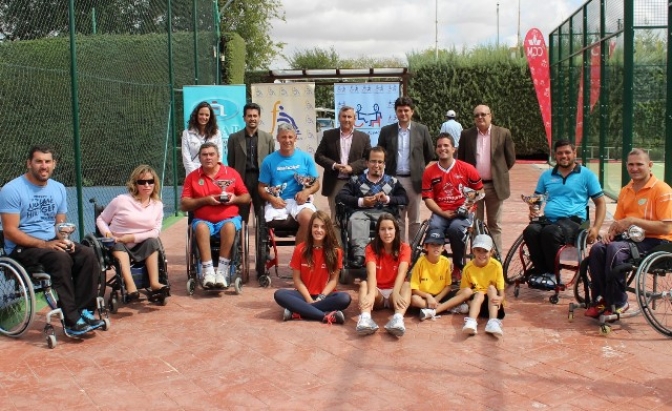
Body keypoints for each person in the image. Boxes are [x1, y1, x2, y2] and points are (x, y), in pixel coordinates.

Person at [0, 145, 105, 334]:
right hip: (22, 247)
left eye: (47, 161)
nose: (43, 166)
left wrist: (65, 239)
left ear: (54, 164)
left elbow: (60, 223)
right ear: (29, 163)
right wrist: (45, 244)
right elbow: (9, 231)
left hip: (50, 242)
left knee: (87, 254)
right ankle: (72, 321)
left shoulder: (58, 188)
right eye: (38, 161)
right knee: (60, 258)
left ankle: (85, 311)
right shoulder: (12, 190)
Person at [585, 148, 672, 318]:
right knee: (598, 249)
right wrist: (610, 232)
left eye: (639, 164)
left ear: (650, 165)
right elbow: (618, 223)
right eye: (631, 164)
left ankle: (619, 302)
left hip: (659, 242)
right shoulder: (626, 190)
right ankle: (601, 299)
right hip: (631, 240)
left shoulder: (662, 190)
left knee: (616, 250)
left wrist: (632, 220)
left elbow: (667, 228)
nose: (634, 168)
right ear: (626, 166)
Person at [522, 140, 606, 289]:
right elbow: (537, 200)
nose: (564, 156)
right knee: (530, 230)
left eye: (567, 152)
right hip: (549, 219)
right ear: (555, 155)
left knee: (550, 232)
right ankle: (542, 271)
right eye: (560, 153)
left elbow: (601, 203)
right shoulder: (546, 176)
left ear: (575, 153)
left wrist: (596, 228)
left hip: (575, 221)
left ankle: (553, 274)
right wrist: (533, 209)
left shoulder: (587, 175)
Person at [181, 142, 251, 289]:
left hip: (228, 219)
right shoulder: (192, 177)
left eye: (211, 154)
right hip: (203, 220)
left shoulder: (231, 173)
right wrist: (205, 200)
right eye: (204, 155)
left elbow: (246, 197)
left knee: (229, 226)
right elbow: (184, 204)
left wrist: (234, 198)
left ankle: (222, 272)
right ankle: (208, 273)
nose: (208, 157)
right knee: (200, 228)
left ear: (218, 156)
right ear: (199, 158)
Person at [96, 164, 170, 301]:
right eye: (142, 182)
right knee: (117, 245)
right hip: (117, 242)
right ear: (135, 184)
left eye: (150, 181)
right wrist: (107, 234)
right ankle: (130, 286)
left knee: (153, 242)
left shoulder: (157, 205)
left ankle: (154, 283)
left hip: (141, 243)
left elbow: (155, 232)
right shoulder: (121, 200)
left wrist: (132, 237)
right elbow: (101, 219)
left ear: (155, 183)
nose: (147, 185)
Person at [273, 210, 352, 324]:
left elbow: (334, 280)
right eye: (315, 226)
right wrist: (309, 299)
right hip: (303, 295)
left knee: (344, 298)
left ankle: (299, 311)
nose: (318, 230)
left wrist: (322, 296)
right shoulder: (300, 249)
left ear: (328, 230)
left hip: (325, 296)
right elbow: (297, 279)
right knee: (279, 294)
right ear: (310, 228)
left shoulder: (336, 252)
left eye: (322, 227)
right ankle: (324, 315)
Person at [335, 146, 408, 267]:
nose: (377, 165)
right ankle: (360, 256)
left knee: (389, 222)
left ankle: (389, 255)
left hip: (385, 213)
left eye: (380, 162)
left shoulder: (392, 182)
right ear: (367, 163)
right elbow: (341, 197)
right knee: (355, 219)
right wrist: (362, 201)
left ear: (384, 164)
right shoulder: (356, 181)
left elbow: (404, 198)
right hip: (362, 213)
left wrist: (388, 199)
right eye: (373, 161)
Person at [422, 133, 483, 278]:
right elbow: (428, 199)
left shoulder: (467, 168)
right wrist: (442, 213)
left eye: (446, 145)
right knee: (433, 229)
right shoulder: (429, 171)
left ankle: (458, 265)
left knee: (456, 229)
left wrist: (469, 204)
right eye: (439, 146)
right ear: (436, 149)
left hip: (463, 211)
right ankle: (436, 264)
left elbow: (480, 191)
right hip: (440, 211)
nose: (442, 149)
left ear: (453, 148)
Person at [457, 104, 515, 254]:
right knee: (475, 225)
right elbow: (461, 160)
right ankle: (476, 259)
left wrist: (497, 174)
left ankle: (497, 259)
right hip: (473, 189)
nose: (480, 117)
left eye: (483, 114)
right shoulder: (466, 135)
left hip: (495, 187)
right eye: (477, 115)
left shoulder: (503, 133)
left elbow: (510, 159)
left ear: (490, 115)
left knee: (495, 225)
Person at [378, 96, 434, 243]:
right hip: (393, 180)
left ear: (412, 112)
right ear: (396, 112)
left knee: (414, 218)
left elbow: (429, 154)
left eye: (406, 111)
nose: (403, 113)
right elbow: (380, 154)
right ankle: (401, 249)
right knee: (397, 218)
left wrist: (418, 167)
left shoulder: (422, 130)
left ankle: (413, 251)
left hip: (414, 180)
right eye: (400, 111)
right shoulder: (386, 131)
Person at [258, 123, 320, 245]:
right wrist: (271, 198)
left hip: (300, 202)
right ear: (278, 138)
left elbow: (316, 183)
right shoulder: (269, 161)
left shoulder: (305, 158)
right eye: (284, 137)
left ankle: (299, 259)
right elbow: (261, 187)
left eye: (290, 137)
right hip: (278, 202)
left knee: (309, 220)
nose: (287, 140)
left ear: (295, 138)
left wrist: (306, 191)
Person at [315, 105, 371, 229]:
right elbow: (318, 156)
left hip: (355, 183)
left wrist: (352, 167)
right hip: (335, 183)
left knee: (355, 218)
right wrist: (334, 165)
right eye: (344, 116)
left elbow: (368, 159)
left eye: (349, 117)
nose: (346, 119)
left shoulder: (363, 138)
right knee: (336, 219)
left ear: (354, 119)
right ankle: (338, 248)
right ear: (339, 118)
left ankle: (353, 248)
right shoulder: (329, 135)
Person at [355, 213, 412, 337]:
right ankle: (365, 319)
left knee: (407, 285)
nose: (387, 233)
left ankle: (397, 319)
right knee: (364, 284)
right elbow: (371, 273)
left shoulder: (405, 248)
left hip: (394, 292)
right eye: (383, 229)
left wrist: (396, 292)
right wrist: (371, 293)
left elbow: (402, 272)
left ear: (396, 230)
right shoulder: (371, 248)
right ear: (378, 232)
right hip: (378, 292)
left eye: (390, 229)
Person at [441, 235, 505, 337]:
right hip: (475, 304)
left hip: (493, 305)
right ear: (473, 251)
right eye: (478, 250)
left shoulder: (496, 266)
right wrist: (469, 303)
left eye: (485, 251)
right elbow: (464, 291)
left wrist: (500, 298)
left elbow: (501, 289)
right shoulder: (468, 268)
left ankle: (493, 322)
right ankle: (471, 322)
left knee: (492, 288)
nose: (482, 254)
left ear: (491, 252)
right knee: (479, 294)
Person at [227, 103, 275, 223]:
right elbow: (231, 162)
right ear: (244, 118)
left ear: (259, 117)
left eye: (255, 116)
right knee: (240, 214)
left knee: (263, 214)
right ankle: (239, 240)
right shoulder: (234, 138)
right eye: (249, 116)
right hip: (242, 179)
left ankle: (262, 241)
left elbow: (272, 162)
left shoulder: (268, 138)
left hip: (262, 180)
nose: (252, 118)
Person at [410, 228, 465, 320]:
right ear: (426, 247)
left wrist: (436, 299)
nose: (436, 247)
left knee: (466, 292)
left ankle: (433, 309)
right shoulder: (420, 262)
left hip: (441, 295)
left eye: (439, 244)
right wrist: (428, 296)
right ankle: (446, 307)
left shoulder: (446, 262)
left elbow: (448, 286)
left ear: (443, 248)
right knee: (415, 300)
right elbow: (414, 288)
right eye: (432, 244)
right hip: (425, 296)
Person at [182, 101, 224, 175]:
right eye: (201, 114)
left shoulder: (217, 133)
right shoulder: (187, 133)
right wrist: (196, 174)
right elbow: (186, 158)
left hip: (211, 174)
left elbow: (219, 156)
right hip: (192, 174)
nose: (204, 117)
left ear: (210, 117)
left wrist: (211, 173)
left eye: (207, 115)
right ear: (196, 115)